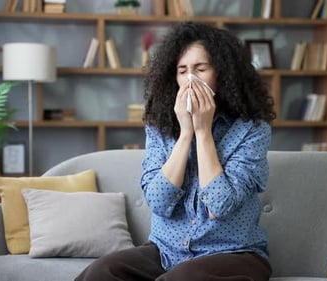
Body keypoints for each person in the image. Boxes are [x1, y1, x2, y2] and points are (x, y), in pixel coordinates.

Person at [75, 21, 276, 281]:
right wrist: (185, 134)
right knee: (101, 272)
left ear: (224, 74)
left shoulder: (252, 130)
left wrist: (203, 133)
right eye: (183, 71)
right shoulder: (159, 127)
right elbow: (158, 203)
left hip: (234, 254)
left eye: (201, 69)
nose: (190, 79)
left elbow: (220, 205)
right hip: (167, 253)